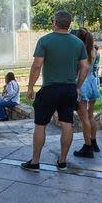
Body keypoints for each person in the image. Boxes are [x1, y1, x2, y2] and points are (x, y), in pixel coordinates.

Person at [21, 11, 89, 171]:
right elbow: (85, 67)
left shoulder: (45, 40)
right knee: (67, 124)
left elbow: (37, 66)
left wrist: (30, 87)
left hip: (49, 89)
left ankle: (35, 161)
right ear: (69, 24)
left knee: (40, 125)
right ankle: (62, 161)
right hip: (69, 89)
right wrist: (77, 86)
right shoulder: (78, 43)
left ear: (55, 23)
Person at [73, 28, 102, 158]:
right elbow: (94, 69)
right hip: (93, 83)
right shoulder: (95, 51)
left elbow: (77, 70)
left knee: (83, 117)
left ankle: (87, 147)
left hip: (82, 83)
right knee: (91, 115)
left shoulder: (80, 52)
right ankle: (94, 141)